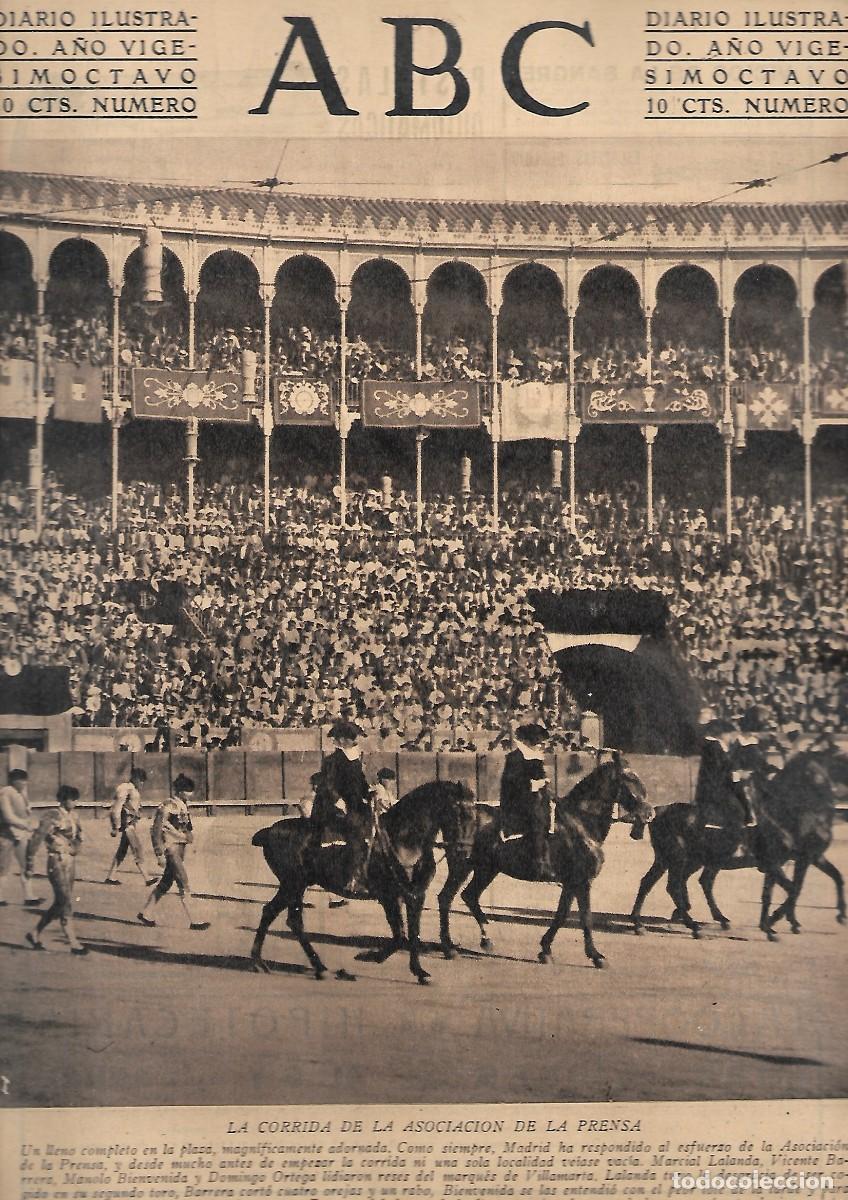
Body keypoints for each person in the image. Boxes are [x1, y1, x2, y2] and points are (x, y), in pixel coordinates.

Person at [137, 774, 209, 929]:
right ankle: (195, 920)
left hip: (179, 847)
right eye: (188, 790)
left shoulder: (183, 805)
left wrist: (188, 837)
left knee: (166, 882)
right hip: (170, 848)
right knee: (183, 881)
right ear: (181, 791)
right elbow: (156, 830)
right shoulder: (167, 805)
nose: (191, 793)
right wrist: (159, 853)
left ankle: (145, 913)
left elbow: (188, 829)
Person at [312, 719, 371, 897]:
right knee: (356, 832)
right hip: (331, 808)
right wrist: (339, 802)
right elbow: (328, 786)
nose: (356, 741)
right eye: (353, 738)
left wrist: (370, 794)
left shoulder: (355, 760)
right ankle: (353, 878)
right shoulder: (332, 761)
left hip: (353, 806)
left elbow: (360, 784)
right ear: (343, 740)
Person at [25, 785, 87, 955]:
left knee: (60, 902)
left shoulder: (74, 816)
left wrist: (76, 848)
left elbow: (80, 837)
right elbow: (37, 837)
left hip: (69, 861)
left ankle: (34, 933)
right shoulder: (52, 815)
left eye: (75, 799)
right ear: (62, 799)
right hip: (56, 861)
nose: (74, 802)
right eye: (71, 799)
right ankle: (73, 942)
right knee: (65, 901)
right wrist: (29, 861)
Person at [499, 722, 556, 881]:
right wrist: (537, 784)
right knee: (538, 820)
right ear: (531, 742)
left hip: (533, 799)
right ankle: (538, 861)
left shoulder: (534, 757)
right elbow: (514, 784)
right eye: (539, 741)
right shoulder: (516, 757)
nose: (542, 745)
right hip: (516, 801)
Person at [105, 767, 158, 886]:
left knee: (122, 851)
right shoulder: (126, 788)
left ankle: (111, 876)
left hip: (131, 823)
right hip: (127, 825)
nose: (142, 783)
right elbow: (116, 809)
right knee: (137, 848)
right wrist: (116, 826)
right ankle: (147, 878)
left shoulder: (131, 789)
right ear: (135, 778)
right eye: (141, 780)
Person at [0, 769, 42, 907]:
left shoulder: (21, 793)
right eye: (22, 780)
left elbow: (26, 810)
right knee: (3, 867)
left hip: (20, 834)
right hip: (5, 834)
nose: (25, 783)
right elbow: (8, 816)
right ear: (14, 781)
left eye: (25, 780)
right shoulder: (5, 792)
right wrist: (25, 825)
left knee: (27, 865)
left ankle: (29, 896)